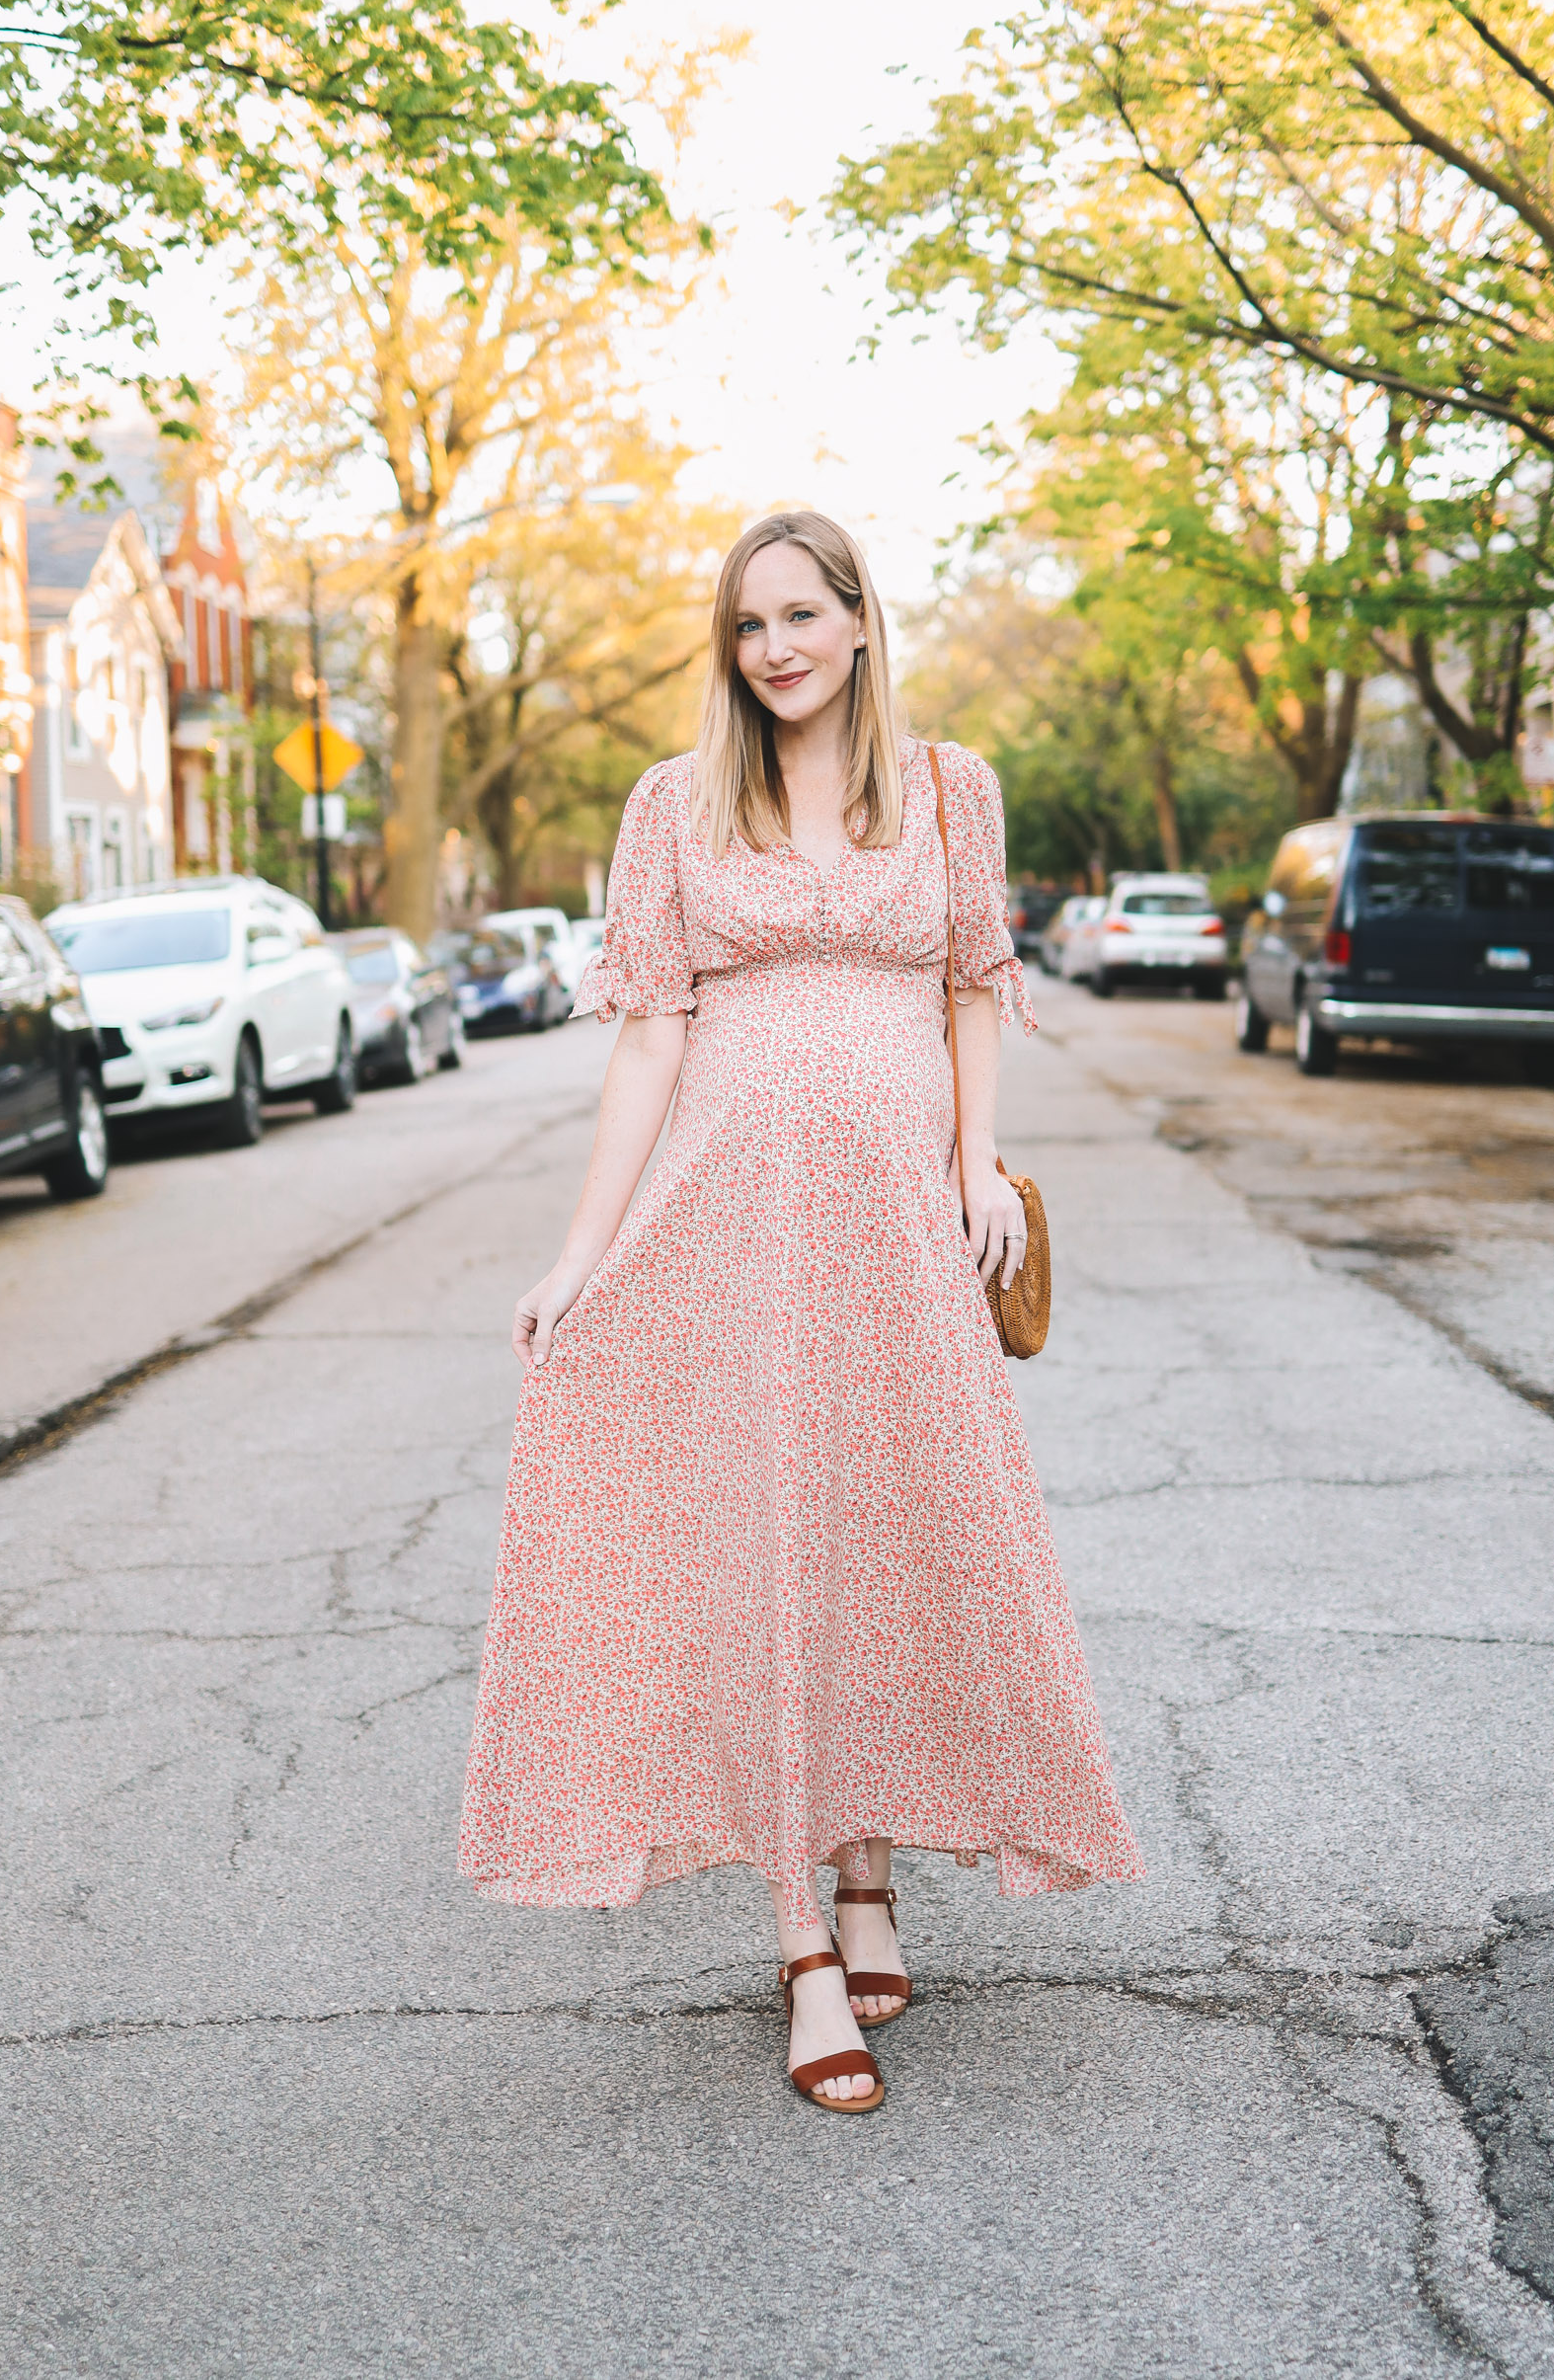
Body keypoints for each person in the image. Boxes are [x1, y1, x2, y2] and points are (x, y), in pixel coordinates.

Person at [459, 510, 1142, 2113]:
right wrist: (579, 1256)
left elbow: (974, 984)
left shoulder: (951, 789)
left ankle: (870, 1877)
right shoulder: (674, 807)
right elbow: (645, 1043)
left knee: (877, 1535)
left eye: (798, 617)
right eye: (745, 625)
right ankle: (800, 1939)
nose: (772, 649)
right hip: (728, 1230)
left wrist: (975, 1165)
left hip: (901, 1226)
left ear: (856, 620)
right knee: (764, 1546)